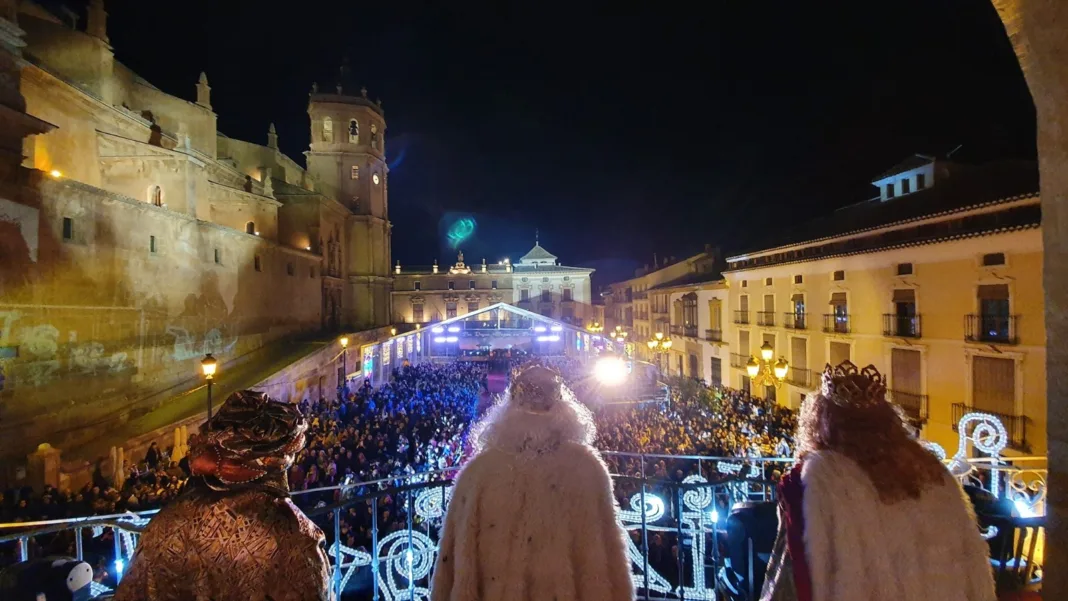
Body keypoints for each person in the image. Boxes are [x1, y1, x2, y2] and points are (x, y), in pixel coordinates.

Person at [761, 362, 995, 601]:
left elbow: (788, 581)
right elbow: (975, 572)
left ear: (821, 420)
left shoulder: (818, 480)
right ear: (888, 419)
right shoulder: (934, 472)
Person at [430, 365, 633, 601]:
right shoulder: (587, 469)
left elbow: (454, 561)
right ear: (562, 407)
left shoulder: (479, 472)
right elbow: (611, 558)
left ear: (509, 407)